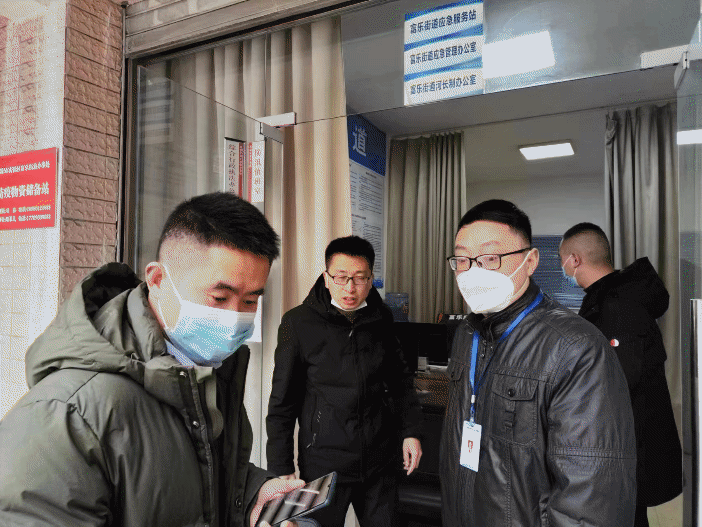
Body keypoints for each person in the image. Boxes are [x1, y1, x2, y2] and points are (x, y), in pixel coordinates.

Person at [0, 192, 309, 527]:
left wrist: (251, 497)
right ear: (158, 280)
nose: (235, 317)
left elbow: (195, 477)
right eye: (220, 297)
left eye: (250, 301)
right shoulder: (66, 414)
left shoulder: (206, 372)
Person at [440, 199, 636, 526]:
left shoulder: (576, 347)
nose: (473, 271)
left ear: (530, 261)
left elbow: (590, 498)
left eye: (490, 258)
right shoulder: (467, 333)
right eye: (462, 259)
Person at [266, 235, 424, 527]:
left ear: (371, 280)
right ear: (327, 278)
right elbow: (282, 401)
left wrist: (411, 431)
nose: (350, 288)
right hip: (323, 463)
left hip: (379, 460)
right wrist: (281, 466)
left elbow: (400, 380)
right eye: (341, 277)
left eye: (360, 278)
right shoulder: (298, 323)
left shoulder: (382, 318)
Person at [560, 222, 682, 527]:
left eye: (562, 260)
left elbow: (617, 383)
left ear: (574, 259)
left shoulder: (617, 306)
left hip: (629, 445)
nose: (563, 268)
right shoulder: (609, 298)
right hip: (624, 444)